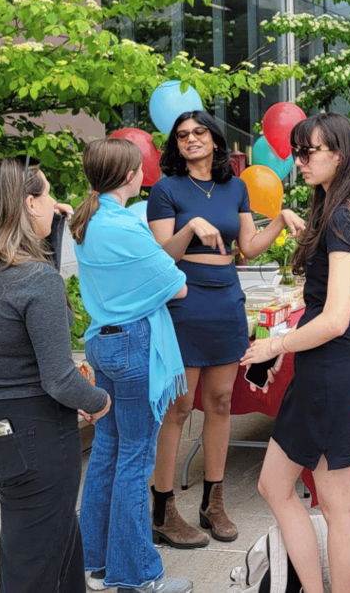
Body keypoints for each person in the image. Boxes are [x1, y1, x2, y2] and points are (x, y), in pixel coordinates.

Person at [0, 156, 112, 593]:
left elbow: (28, 287)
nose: (55, 203)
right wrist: (98, 401)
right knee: (30, 572)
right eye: (48, 195)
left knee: (58, 546)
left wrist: (52, 231)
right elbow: (59, 378)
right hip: (33, 436)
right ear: (29, 204)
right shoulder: (35, 280)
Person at [147, 111, 304, 547]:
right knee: (179, 407)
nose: (191, 139)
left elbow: (248, 249)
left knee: (220, 401)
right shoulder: (166, 190)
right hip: (184, 301)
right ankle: (162, 509)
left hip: (225, 300)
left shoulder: (235, 187)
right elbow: (162, 257)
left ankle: (212, 503)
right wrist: (190, 227)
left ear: (215, 140)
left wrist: (280, 219)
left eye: (199, 132)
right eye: (182, 135)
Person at [241, 112, 350, 593]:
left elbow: (336, 316)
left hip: (331, 368)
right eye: (297, 151)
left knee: (336, 503)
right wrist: (287, 346)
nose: (299, 160)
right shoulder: (343, 208)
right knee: (276, 486)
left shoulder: (343, 215)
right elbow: (330, 309)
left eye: (308, 151)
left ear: (338, 154)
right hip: (326, 364)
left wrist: (276, 343)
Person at [72, 140, 194, 593]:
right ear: (128, 176)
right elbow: (177, 285)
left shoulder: (87, 221)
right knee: (135, 458)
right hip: (133, 344)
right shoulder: (123, 225)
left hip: (102, 343)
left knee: (108, 450)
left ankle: (97, 563)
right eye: (140, 167)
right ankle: (136, 574)